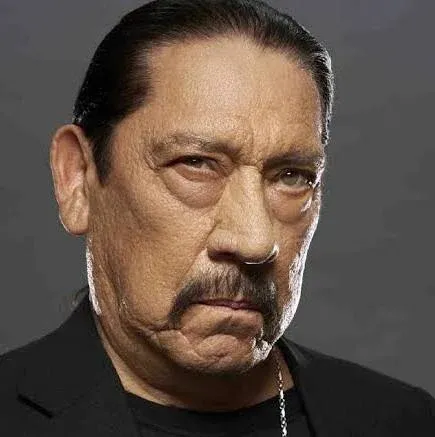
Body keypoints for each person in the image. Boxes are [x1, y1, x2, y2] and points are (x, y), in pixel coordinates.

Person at [1, 0, 434, 435]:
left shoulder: (405, 421)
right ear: (78, 179)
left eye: (291, 176)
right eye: (196, 163)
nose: (255, 241)